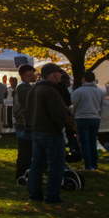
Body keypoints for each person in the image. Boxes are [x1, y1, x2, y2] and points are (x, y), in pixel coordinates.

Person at [28, 63, 77, 204]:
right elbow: (58, 113)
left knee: (37, 164)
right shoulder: (50, 91)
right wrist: (66, 125)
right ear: (50, 74)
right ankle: (52, 196)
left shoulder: (34, 89)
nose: (60, 76)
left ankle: (34, 194)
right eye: (57, 73)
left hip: (36, 130)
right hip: (50, 131)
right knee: (56, 165)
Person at [71, 72, 104, 173]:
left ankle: (88, 165)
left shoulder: (78, 91)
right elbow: (101, 106)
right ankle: (94, 164)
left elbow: (73, 106)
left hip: (82, 118)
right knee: (92, 142)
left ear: (83, 79)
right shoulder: (100, 92)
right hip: (95, 118)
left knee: (84, 142)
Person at [13, 64, 37, 183]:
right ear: (22, 75)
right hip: (23, 123)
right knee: (25, 152)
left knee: (28, 152)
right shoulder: (22, 88)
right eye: (29, 75)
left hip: (25, 123)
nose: (32, 76)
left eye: (33, 74)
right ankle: (21, 175)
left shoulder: (27, 86)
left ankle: (25, 174)